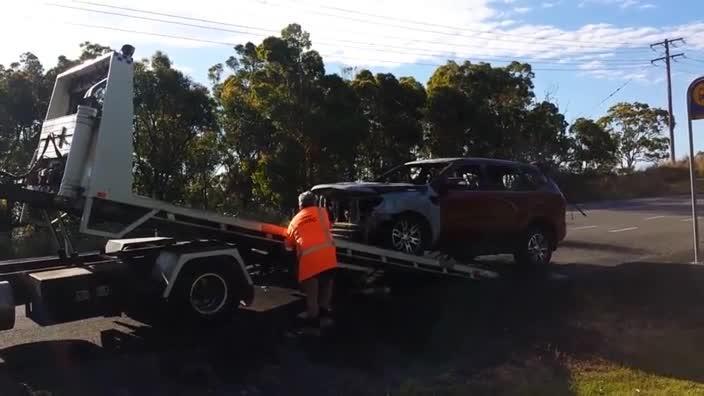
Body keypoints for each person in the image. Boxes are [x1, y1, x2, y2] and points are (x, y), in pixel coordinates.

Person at [285, 191, 337, 333]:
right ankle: (325, 315)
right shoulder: (322, 212)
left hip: (310, 261)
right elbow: (328, 228)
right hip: (328, 257)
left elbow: (288, 246)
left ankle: (313, 324)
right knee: (326, 286)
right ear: (314, 202)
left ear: (300, 205)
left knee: (312, 295)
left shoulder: (294, 221)